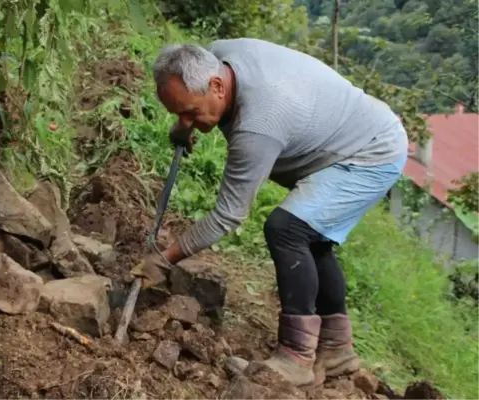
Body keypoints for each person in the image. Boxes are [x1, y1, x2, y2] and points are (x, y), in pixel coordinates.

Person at [130, 38, 408, 387]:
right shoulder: (215, 57)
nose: (186, 119)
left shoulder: (258, 123)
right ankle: (336, 348)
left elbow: (228, 215)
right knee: (312, 238)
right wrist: (185, 125)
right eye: (178, 112)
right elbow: (191, 98)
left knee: (288, 229)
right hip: (351, 131)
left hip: (371, 152)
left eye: (191, 111)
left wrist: (165, 258)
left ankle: (296, 358)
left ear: (217, 86)